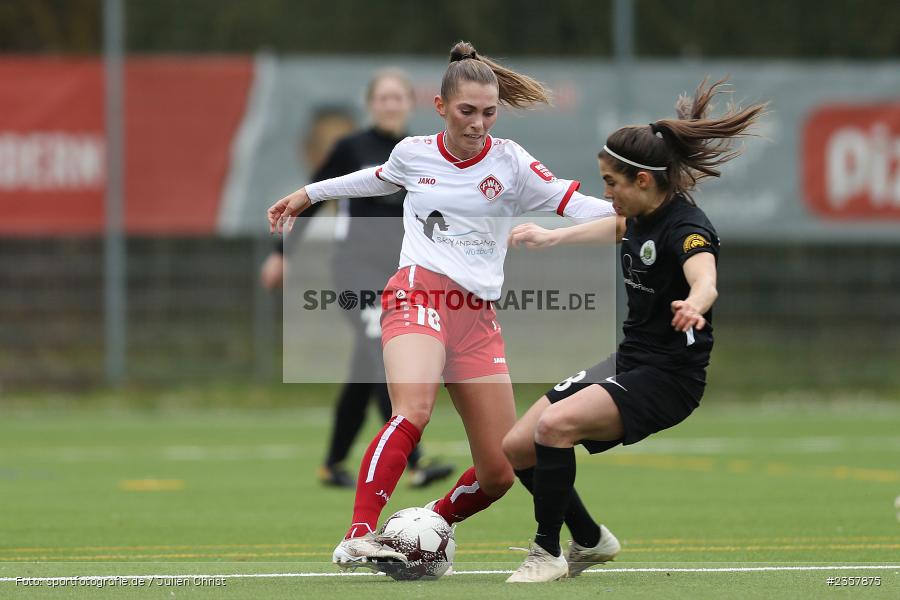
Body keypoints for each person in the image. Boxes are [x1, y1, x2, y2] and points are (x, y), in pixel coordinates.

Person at [267, 41, 616, 570]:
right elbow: (374, 178)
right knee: (413, 409)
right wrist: (309, 194)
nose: (478, 123)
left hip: (477, 318)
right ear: (440, 107)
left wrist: (638, 211)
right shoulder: (413, 153)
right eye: (466, 111)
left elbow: (577, 204)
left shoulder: (512, 162)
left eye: (489, 112)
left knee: (500, 469)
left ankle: (424, 526)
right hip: (416, 291)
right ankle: (359, 533)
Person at [500, 77, 767, 582]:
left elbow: (704, 276)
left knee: (553, 429)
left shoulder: (686, 227)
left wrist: (695, 302)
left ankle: (548, 552)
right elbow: (618, 228)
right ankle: (590, 539)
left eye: (610, 183)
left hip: (670, 377)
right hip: (631, 359)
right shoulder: (641, 214)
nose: (605, 193)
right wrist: (551, 238)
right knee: (517, 446)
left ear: (643, 181)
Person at [261, 72, 454, 489]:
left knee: (364, 367)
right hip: (354, 271)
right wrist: (280, 255)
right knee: (382, 354)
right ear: (371, 104)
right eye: (382, 97)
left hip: (402, 274)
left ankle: (332, 464)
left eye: (397, 97)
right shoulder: (351, 148)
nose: (390, 104)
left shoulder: (417, 152)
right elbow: (312, 200)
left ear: (409, 103)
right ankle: (415, 461)